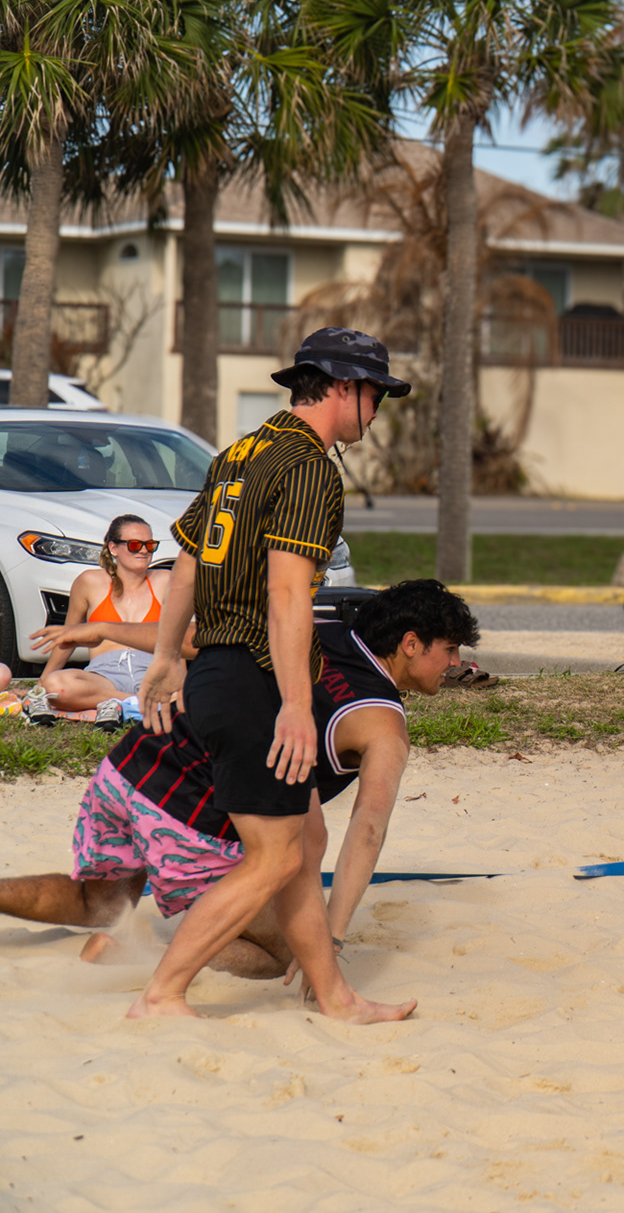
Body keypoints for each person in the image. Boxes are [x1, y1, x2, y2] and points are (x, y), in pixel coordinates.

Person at [132, 325, 414, 1024]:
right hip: (255, 678)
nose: (377, 412)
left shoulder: (240, 452)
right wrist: (297, 703)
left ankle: (335, 996)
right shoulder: (311, 467)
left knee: (305, 840)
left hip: (218, 671)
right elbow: (290, 594)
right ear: (344, 388)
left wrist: (168, 656)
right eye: (376, 396)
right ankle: (163, 993)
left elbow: (191, 561)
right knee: (274, 857)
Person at [0, 581, 479, 977]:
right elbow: (367, 830)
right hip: (201, 810)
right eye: (450, 649)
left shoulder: (314, 629)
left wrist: (104, 627)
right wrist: (330, 937)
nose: (456, 663)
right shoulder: (383, 724)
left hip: (139, 760)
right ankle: (138, 958)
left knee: (96, 902)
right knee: (288, 952)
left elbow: (195, 638)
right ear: (411, 643)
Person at [29, 514, 178, 728]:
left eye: (150, 545)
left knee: (197, 691)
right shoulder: (90, 581)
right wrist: (44, 681)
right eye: (135, 545)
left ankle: (116, 703)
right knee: (56, 686)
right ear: (113, 548)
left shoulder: (165, 580)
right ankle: (135, 703)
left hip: (152, 670)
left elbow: (178, 637)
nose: (144, 551)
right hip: (104, 673)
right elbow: (69, 636)